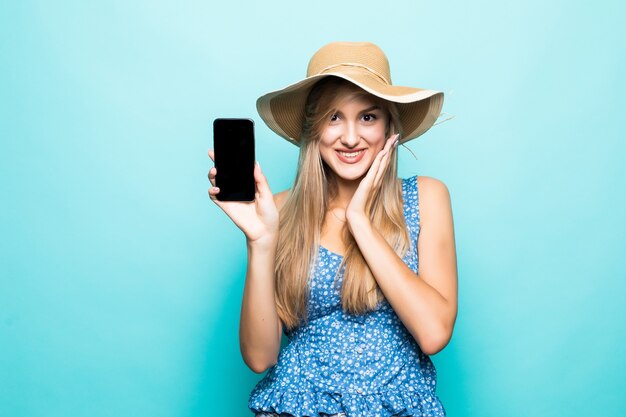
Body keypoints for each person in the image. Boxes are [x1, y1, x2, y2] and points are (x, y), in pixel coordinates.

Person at [208, 42, 458, 417]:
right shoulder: (277, 211)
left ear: (391, 126)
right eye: (334, 117)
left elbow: (434, 333)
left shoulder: (426, 197)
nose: (352, 137)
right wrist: (260, 242)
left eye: (368, 117)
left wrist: (359, 220)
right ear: (314, 129)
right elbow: (260, 358)